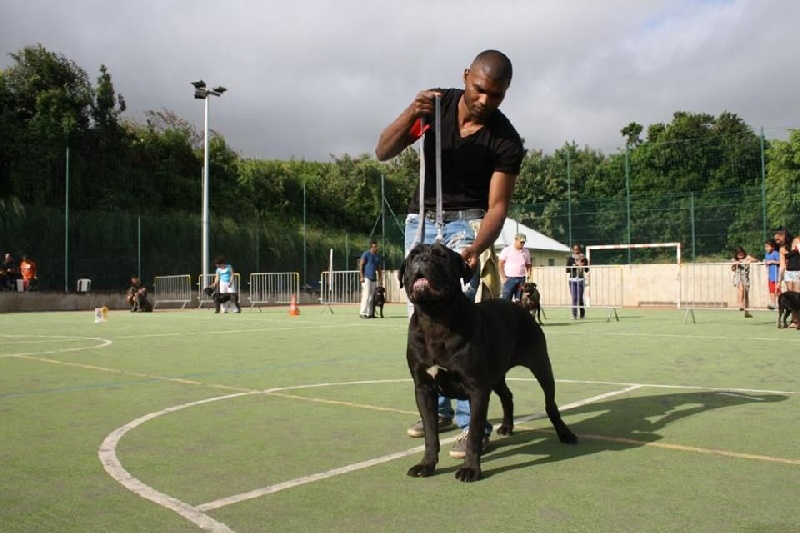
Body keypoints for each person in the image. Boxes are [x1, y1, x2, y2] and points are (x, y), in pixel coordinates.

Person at [375, 49, 525, 458]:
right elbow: (383, 151)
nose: (485, 100)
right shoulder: (434, 107)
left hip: (468, 227)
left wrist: (477, 247)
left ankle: (472, 427)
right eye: (479, 89)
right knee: (420, 313)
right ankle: (437, 409)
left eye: (496, 95)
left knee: (462, 321)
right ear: (465, 77)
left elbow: (498, 207)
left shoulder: (505, 140)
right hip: (421, 222)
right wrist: (411, 113)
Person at [499, 233, 531, 301]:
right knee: (506, 300)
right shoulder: (507, 250)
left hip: (521, 279)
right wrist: (504, 277)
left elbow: (528, 264)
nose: (522, 244)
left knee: (519, 300)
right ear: (516, 240)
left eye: (524, 242)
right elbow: (500, 264)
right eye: (521, 242)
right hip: (509, 279)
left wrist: (529, 274)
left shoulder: (526, 251)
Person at [358, 240, 383, 319]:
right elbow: (361, 264)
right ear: (371, 247)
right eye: (375, 247)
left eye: (377, 246)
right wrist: (361, 276)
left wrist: (380, 279)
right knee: (366, 295)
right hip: (366, 278)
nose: (376, 248)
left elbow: (379, 269)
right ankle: (362, 313)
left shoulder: (377, 257)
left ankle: (370, 314)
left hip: (373, 279)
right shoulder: (366, 254)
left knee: (371, 297)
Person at [731, 246, 757, 318]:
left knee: (746, 295)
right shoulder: (734, 259)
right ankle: (740, 304)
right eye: (739, 254)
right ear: (736, 254)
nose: (740, 255)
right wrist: (735, 264)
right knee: (741, 288)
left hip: (745, 277)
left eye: (742, 254)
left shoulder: (747, 257)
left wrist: (750, 261)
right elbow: (732, 269)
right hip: (738, 276)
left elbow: (756, 260)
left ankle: (747, 312)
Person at [566, 243, 589, 319]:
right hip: (572, 280)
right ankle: (574, 315)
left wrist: (583, 265)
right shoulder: (570, 258)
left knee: (580, 298)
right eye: (574, 249)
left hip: (580, 279)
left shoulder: (584, 258)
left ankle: (582, 314)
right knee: (574, 298)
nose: (576, 250)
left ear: (579, 250)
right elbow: (567, 270)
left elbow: (586, 270)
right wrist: (574, 266)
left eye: (577, 249)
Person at [764, 239, 780, 310]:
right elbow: (767, 263)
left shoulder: (776, 253)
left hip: (776, 275)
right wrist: (766, 263)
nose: (766, 248)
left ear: (773, 247)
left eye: (768, 246)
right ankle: (773, 303)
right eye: (765, 247)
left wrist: (773, 261)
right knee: (771, 290)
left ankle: (781, 302)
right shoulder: (766, 254)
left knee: (777, 290)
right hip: (770, 275)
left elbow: (780, 261)